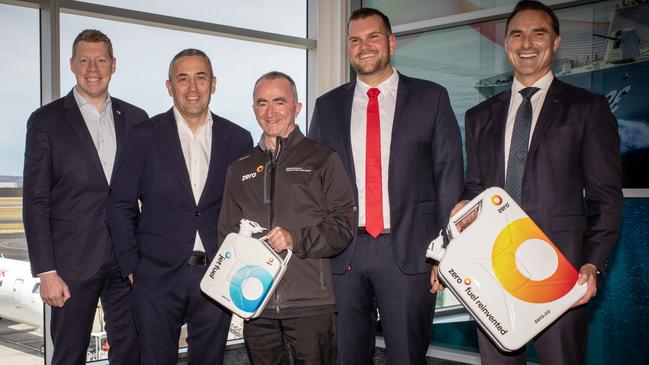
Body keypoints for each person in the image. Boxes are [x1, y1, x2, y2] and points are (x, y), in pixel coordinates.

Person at [454, 1, 623, 364]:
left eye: (538, 33)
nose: (526, 43)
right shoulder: (479, 116)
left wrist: (592, 264)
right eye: (517, 34)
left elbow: (605, 198)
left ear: (556, 43)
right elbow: (475, 190)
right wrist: (460, 221)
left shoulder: (587, 109)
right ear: (506, 44)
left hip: (562, 273)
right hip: (493, 267)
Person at [308, 8, 464, 364]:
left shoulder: (431, 98)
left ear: (391, 42)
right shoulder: (328, 106)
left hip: (410, 251)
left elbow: (449, 177)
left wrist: (445, 251)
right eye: (355, 40)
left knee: (408, 356)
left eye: (373, 37)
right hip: (346, 253)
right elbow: (314, 184)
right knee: (348, 356)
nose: (364, 46)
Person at [107, 48, 253, 364]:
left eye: (200, 77)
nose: (192, 87)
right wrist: (132, 266)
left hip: (217, 275)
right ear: (169, 86)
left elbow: (247, 209)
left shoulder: (239, 139)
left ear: (213, 83)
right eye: (182, 78)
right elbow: (119, 205)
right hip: (155, 278)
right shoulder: (144, 135)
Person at [23, 29, 146, 365]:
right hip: (72, 264)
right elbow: (35, 200)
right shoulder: (46, 121)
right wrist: (46, 271)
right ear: (72, 65)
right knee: (68, 355)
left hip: (127, 262)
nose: (94, 68)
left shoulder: (137, 120)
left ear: (114, 65)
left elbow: (149, 193)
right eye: (85, 60)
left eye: (101, 60)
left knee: (131, 351)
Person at [218, 71, 356, 365]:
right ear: (253, 108)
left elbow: (344, 225)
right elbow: (226, 234)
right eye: (262, 103)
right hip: (256, 305)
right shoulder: (239, 168)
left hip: (311, 304)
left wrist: (296, 239)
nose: (270, 112)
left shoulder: (323, 159)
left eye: (279, 102)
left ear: (297, 107)